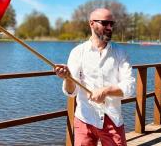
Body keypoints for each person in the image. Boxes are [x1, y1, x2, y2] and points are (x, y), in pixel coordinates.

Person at [54, 8, 135, 146]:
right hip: (84, 119)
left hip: (112, 119)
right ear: (91, 23)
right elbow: (71, 92)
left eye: (112, 24)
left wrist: (106, 91)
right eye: (105, 23)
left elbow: (130, 87)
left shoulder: (120, 53)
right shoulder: (77, 52)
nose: (109, 27)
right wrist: (67, 78)